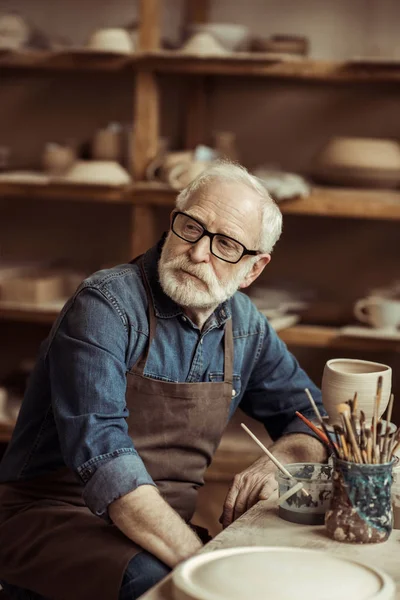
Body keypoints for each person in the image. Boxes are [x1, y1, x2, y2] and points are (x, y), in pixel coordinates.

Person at [0, 161, 327, 600]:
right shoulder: (106, 306)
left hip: (157, 530)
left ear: (253, 269)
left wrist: (280, 458)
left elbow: (313, 418)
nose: (197, 253)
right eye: (191, 228)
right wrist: (202, 564)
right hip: (52, 519)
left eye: (225, 244)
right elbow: (108, 462)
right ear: (172, 222)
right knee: (173, 588)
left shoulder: (245, 327)